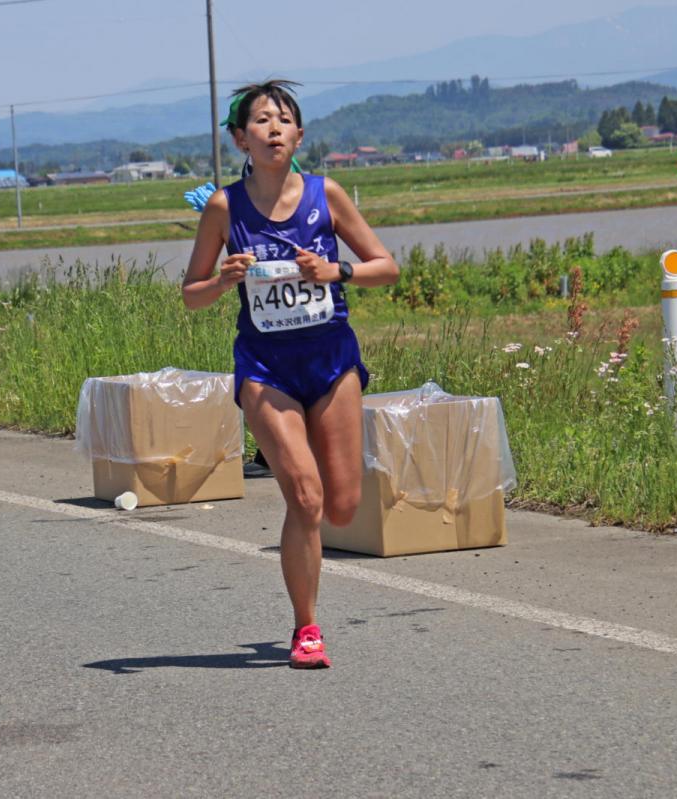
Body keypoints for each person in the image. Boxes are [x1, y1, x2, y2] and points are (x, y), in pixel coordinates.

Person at [181, 81, 400, 669]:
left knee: (343, 507)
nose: (273, 128)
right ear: (239, 139)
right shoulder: (224, 208)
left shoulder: (326, 195)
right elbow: (191, 295)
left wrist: (336, 271)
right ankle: (307, 628)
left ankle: (305, 542)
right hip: (265, 368)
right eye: (260, 121)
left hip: (331, 361)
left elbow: (387, 266)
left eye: (284, 120)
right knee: (305, 497)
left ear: (299, 136)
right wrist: (224, 279)